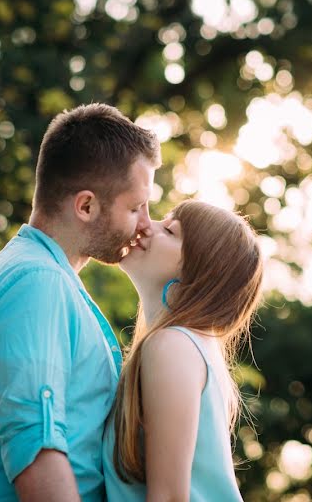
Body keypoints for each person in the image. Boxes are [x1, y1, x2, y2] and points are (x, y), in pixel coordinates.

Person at [0, 103, 161, 502]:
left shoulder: (41, 276)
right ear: (86, 205)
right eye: (135, 207)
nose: (146, 222)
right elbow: (35, 447)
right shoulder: (37, 282)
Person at [103, 199, 264, 501]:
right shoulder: (193, 348)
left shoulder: (173, 346)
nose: (147, 226)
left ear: (197, 274)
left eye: (170, 231)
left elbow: (169, 498)